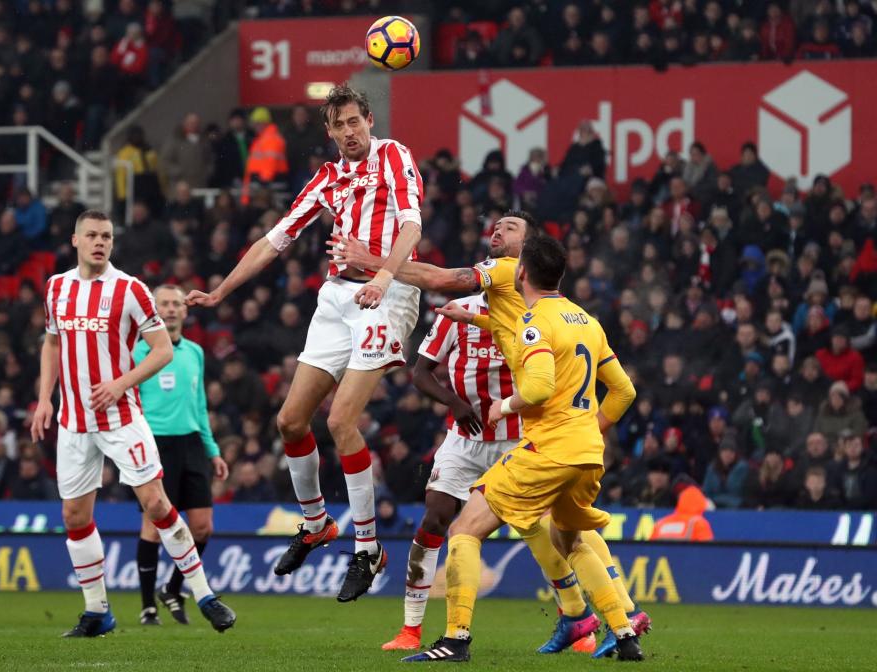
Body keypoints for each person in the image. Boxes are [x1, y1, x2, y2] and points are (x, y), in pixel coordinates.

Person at [333, 211, 650, 657]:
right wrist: (473, 323)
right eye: (496, 226)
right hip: (547, 441)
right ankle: (619, 626)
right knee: (566, 533)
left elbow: (443, 279)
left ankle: (459, 638)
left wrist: (376, 263)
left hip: (529, 434)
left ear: (526, 262)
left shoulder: (513, 288)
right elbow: (623, 390)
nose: (498, 231)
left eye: (511, 228)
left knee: (473, 530)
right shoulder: (577, 318)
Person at [186, 85, 423, 603]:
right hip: (337, 297)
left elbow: (411, 225)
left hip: (387, 293)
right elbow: (275, 240)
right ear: (330, 131)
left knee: (340, 420)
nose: (348, 133)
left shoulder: (394, 155)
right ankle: (316, 525)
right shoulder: (327, 176)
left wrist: (383, 276)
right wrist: (222, 289)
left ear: (368, 119)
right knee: (291, 421)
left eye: (354, 122)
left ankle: (368, 549)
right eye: (338, 126)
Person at [30, 210, 234, 637]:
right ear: (75, 240)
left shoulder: (131, 290)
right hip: (74, 421)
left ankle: (205, 596)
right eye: (92, 235)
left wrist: (120, 384)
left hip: (122, 418)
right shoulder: (57, 288)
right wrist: (44, 398)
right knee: (74, 515)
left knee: (158, 505)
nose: (100, 242)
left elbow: (161, 350)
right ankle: (97, 612)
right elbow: (51, 343)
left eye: (106, 236)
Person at [381, 293, 521, 651]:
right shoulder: (461, 311)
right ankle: (410, 630)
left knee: (545, 527)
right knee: (434, 518)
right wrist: (455, 403)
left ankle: (578, 621)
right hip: (465, 437)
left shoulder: (531, 311)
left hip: (516, 440)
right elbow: (420, 372)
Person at [134, 285, 230, 626]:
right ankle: (147, 608)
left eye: (177, 304)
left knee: (202, 527)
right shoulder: (137, 352)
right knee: (153, 523)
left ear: (186, 311)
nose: (172, 309)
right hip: (154, 444)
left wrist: (213, 451)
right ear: (154, 310)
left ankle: (173, 588)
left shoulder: (195, 352)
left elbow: (199, 405)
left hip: (191, 444)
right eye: (165, 304)